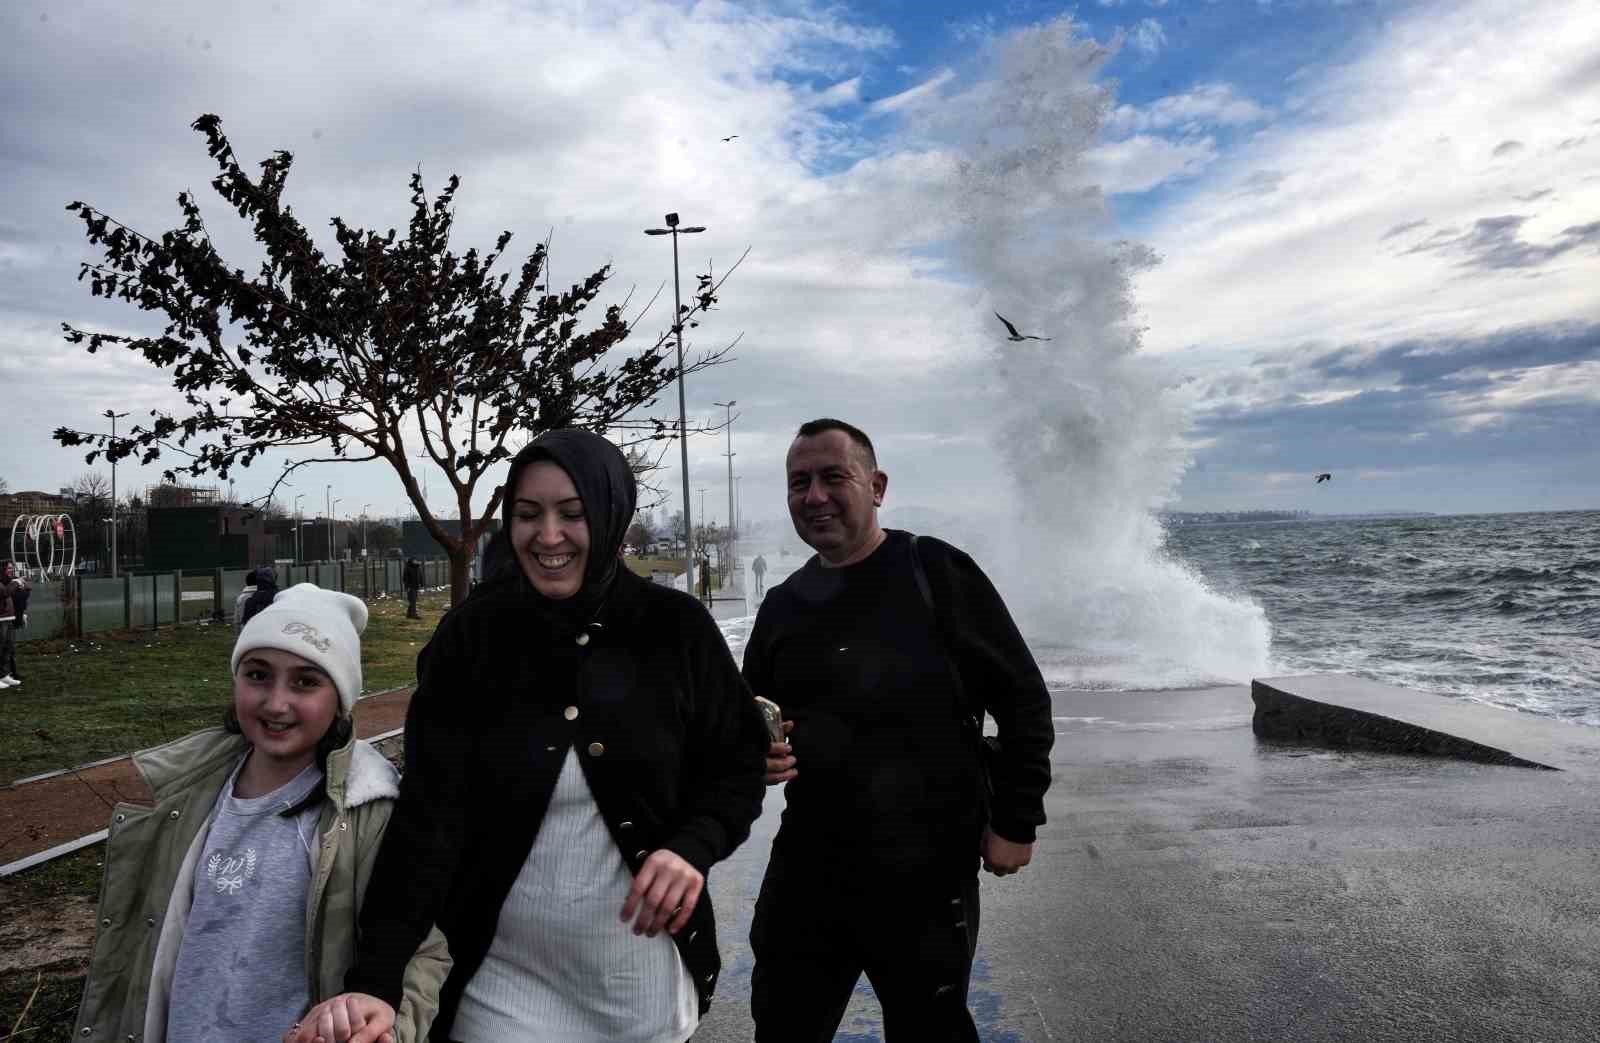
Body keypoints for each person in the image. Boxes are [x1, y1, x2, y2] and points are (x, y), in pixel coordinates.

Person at [291, 429, 769, 1043]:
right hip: (497, 986)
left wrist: (692, 847)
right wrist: (376, 982)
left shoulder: (676, 629)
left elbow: (737, 765)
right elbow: (427, 823)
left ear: (611, 515)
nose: (548, 535)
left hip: (636, 984)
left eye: (572, 513)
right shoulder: (470, 640)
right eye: (527, 514)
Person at [742, 418, 1056, 1042]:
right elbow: (750, 718)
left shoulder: (934, 571)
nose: (815, 496)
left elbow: (1023, 699)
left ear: (877, 486)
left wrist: (1017, 821)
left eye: (834, 477)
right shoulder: (783, 604)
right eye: (799, 482)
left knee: (929, 1029)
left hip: (927, 867)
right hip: (809, 863)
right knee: (782, 1027)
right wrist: (755, 756)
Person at [73, 584, 449, 1042]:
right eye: (258, 675)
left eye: (306, 682)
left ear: (341, 699)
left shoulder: (369, 812)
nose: (276, 703)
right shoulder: (187, 796)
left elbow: (423, 956)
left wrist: (383, 1027)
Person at [0, 559, 30, 688]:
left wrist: (21, 613)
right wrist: (16, 583)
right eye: (8, 568)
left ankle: (5, 675)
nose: (11, 570)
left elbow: (25, 590)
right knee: (1, 648)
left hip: (9, 617)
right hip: (1, 619)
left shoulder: (10, 581)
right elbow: (5, 593)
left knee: (8, 648)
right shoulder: (4, 583)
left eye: (12, 568)